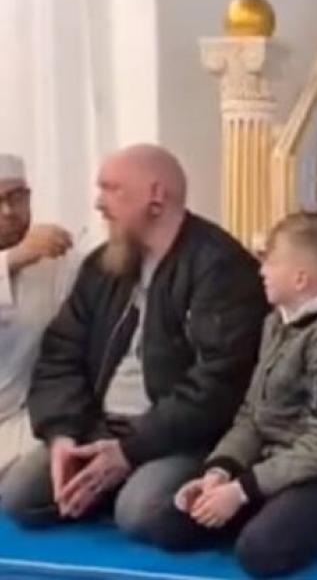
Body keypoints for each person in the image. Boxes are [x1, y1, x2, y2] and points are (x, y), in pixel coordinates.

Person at [1, 144, 269, 541]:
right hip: (102, 428)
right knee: (21, 496)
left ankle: (207, 492)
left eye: (111, 190)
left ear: (156, 196)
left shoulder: (220, 269)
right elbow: (61, 354)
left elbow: (217, 386)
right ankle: (110, 481)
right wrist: (63, 435)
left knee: (141, 511)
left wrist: (129, 452)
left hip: (184, 437)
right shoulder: (103, 265)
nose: (98, 203)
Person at [152, 212, 317, 578]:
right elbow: (252, 415)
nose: (261, 271)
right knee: (169, 523)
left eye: (269, 261)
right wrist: (220, 471)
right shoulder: (275, 323)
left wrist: (242, 491)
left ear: (300, 279)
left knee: (259, 552)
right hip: (268, 467)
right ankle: (268, 508)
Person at [0, 153, 76, 484]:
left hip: (24, 421)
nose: (8, 211)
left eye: (16, 197)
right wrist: (12, 260)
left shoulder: (55, 263)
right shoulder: (25, 255)